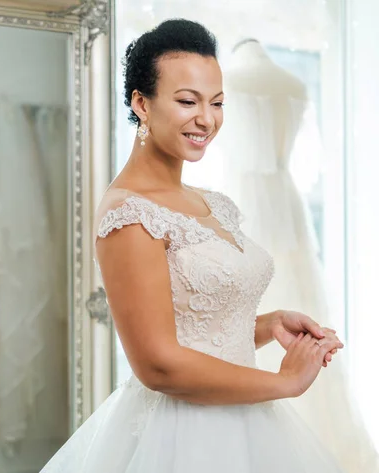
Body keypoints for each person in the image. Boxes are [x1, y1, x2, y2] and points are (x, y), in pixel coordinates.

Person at [40, 19, 345, 472]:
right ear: (141, 103)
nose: (207, 119)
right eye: (187, 101)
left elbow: (199, 322)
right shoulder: (130, 214)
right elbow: (158, 365)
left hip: (248, 423)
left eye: (217, 102)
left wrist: (269, 323)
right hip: (185, 438)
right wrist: (284, 383)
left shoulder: (212, 203)